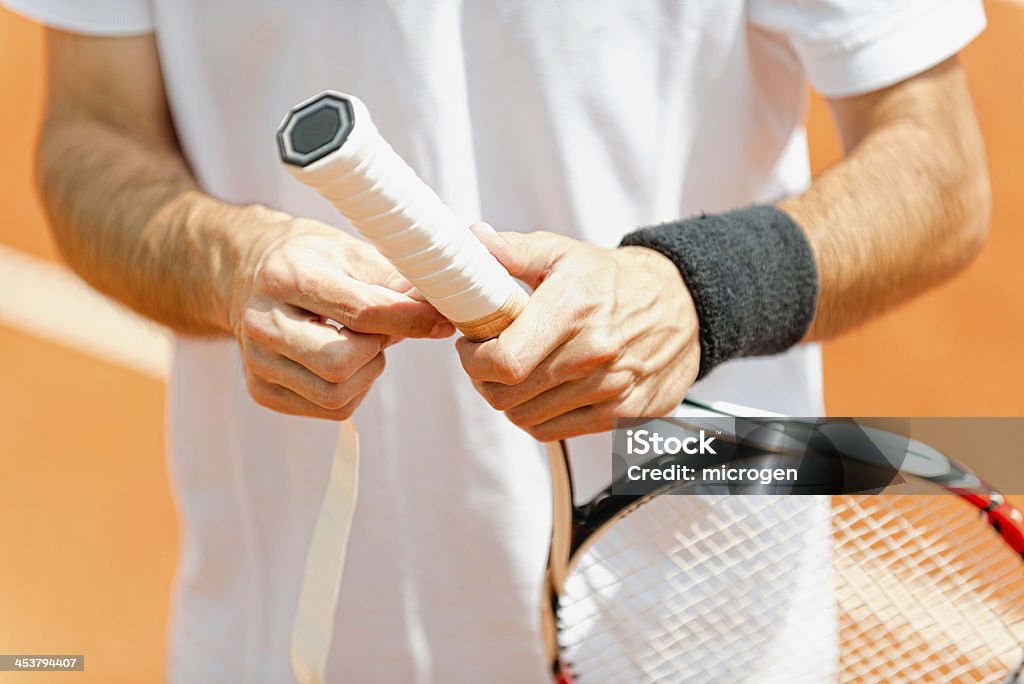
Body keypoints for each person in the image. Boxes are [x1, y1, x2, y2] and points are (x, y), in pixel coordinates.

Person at [5, 0, 989, 681]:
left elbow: (938, 171)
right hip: (288, 648)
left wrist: (694, 292)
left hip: (692, 644)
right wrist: (220, 262)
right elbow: (91, 134)